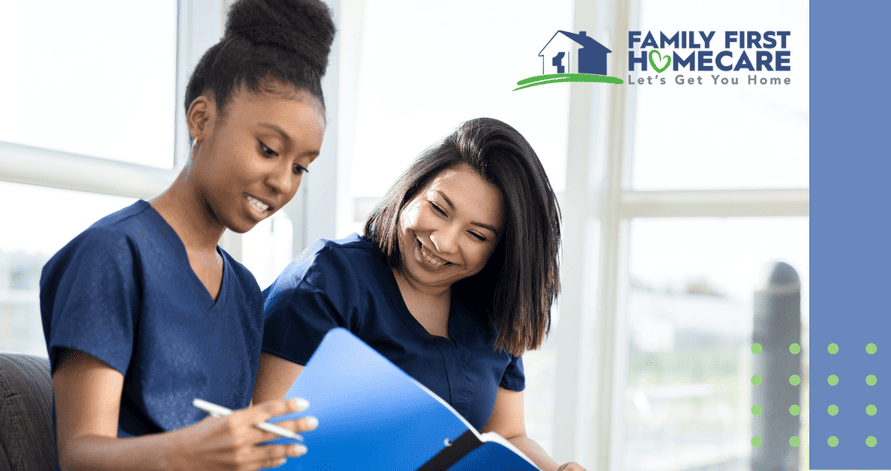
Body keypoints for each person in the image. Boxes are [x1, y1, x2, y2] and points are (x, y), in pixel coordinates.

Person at [39, 1, 335, 469]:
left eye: (300, 166)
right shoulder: (113, 254)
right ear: (202, 120)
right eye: (268, 149)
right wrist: (196, 449)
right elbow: (79, 454)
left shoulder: (242, 291)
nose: (283, 181)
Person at [254, 118, 585, 471]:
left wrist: (554, 469)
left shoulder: (492, 312)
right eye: (439, 209)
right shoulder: (327, 280)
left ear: (500, 251)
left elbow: (506, 436)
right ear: (413, 188)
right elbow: (264, 437)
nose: (442, 240)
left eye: (476, 235)